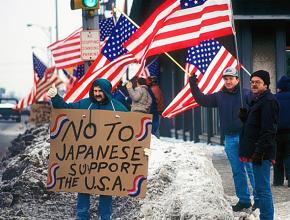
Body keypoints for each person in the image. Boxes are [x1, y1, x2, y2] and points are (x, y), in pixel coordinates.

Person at [47, 79, 128, 220]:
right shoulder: (86, 104)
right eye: (95, 91)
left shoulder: (119, 107)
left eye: (100, 91)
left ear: (107, 91)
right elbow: (66, 109)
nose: (97, 94)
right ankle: (82, 216)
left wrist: (140, 148)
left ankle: (105, 217)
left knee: (107, 188)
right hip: (86, 157)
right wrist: (55, 97)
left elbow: (132, 130)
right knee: (83, 187)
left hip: (108, 158)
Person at [189, 67, 257, 212]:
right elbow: (202, 100)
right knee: (237, 171)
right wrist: (193, 85)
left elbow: (260, 106)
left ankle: (258, 199)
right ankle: (244, 200)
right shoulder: (219, 96)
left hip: (246, 138)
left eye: (231, 78)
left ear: (237, 80)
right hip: (230, 139)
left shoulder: (246, 94)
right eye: (226, 79)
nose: (228, 81)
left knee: (251, 169)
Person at [239, 70, 279, 220]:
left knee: (263, 190)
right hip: (256, 150)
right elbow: (256, 126)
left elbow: (269, 130)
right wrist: (245, 118)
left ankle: (267, 218)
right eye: (252, 82)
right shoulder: (259, 99)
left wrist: (259, 152)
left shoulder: (268, 101)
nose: (254, 84)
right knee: (260, 189)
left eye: (258, 82)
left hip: (261, 153)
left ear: (266, 84)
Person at [273, 75, 290, 187]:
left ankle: (278, 180)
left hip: (277, 133)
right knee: (289, 155)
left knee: (277, 156)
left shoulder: (274, 98)